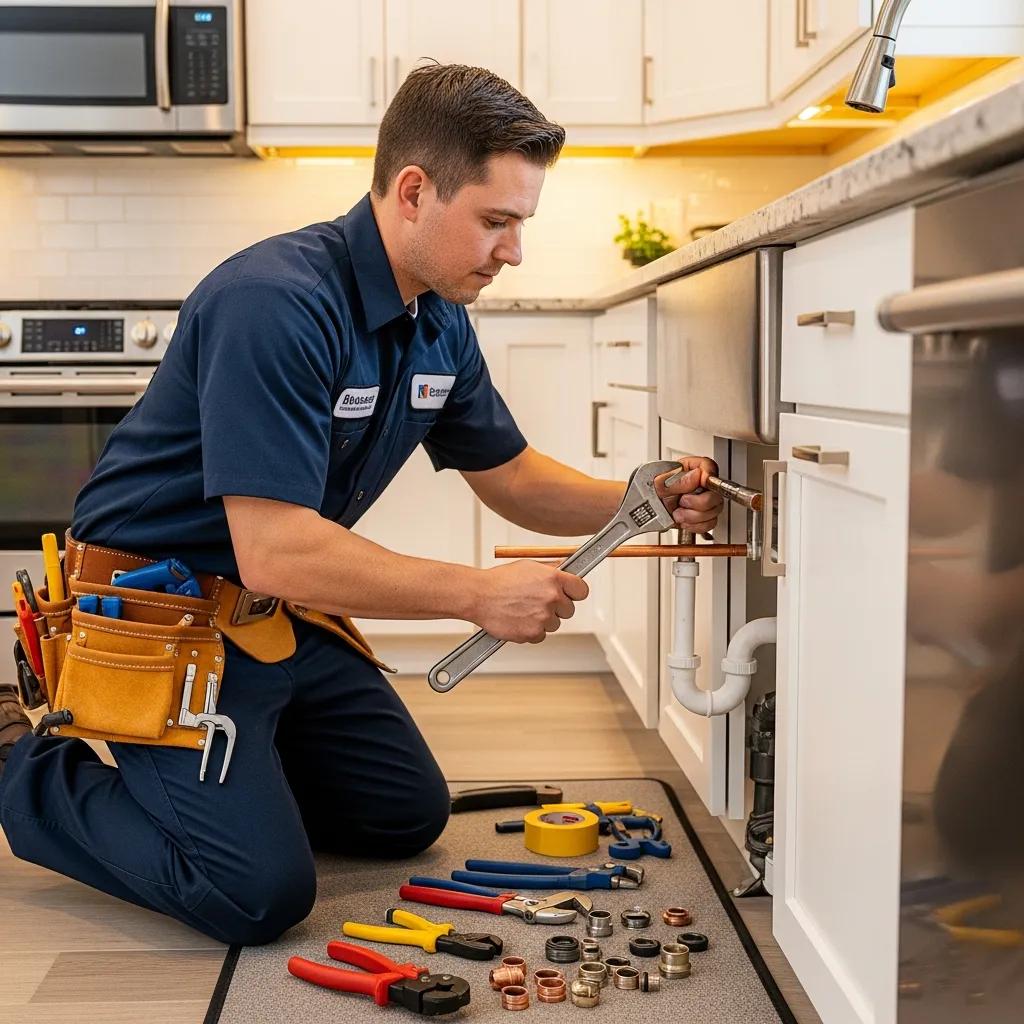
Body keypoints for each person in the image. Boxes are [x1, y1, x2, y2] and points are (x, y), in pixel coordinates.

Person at [0, 63, 721, 945]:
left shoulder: (438, 318)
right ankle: (18, 761)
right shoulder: (277, 302)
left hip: (276, 616)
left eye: (519, 224)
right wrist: (476, 593)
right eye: (496, 221)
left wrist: (640, 497)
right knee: (256, 895)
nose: (513, 252)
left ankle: (235, 774)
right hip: (161, 615)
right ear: (414, 191)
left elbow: (514, 476)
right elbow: (274, 547)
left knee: (401, 818)